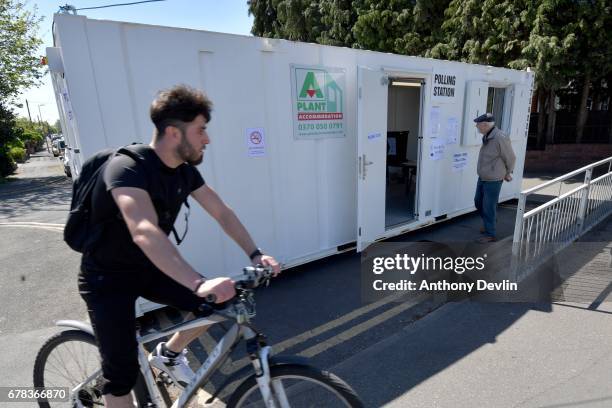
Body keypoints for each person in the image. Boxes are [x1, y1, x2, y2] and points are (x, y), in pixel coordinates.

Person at [79, 85, 281, 408]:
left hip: (148, 269)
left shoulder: (183, 173)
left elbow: (222, 212)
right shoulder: (126, 169)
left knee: (216, 305)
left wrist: (256, 254)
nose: (207, 139)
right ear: (174, 133)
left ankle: (168, 355)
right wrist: (198, 282)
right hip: (107, 278)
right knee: (121, 376)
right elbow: (143, 230)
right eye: (201, 130)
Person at [473, 113, 516, 243]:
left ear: (485, 125)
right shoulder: (488, 135)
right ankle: (489, 221)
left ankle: (490, 234)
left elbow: (511, 157)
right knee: (478, 202)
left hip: (494, 178)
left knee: (488, 206)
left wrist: (508, 172)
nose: (476, 127)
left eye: (478, 125)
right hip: (483, 176)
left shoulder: (499, 137)